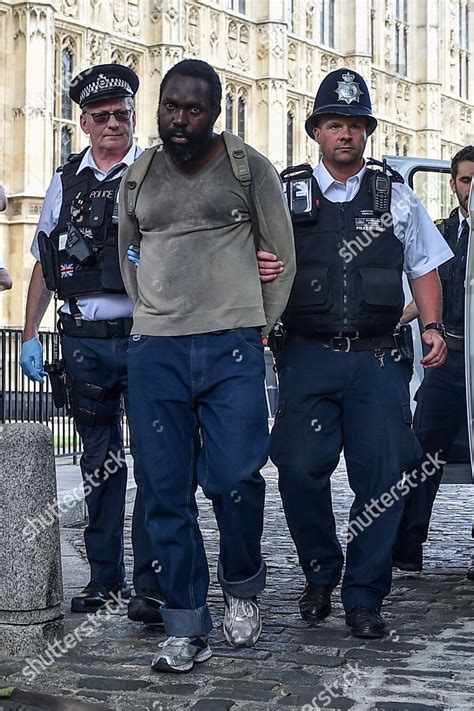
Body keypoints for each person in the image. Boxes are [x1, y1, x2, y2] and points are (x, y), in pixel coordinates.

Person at [261, 67, 452, 639]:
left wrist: (433, 327)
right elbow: (251, 259)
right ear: (316, 130)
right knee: (296, 470)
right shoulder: (284, 194)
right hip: (306, 355)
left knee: (384, 478)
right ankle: (321, 570)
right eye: (335, 124)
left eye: (356, 125)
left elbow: (424, 266)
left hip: (375, 362)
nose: (346, 134)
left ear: (367, 133)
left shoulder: (393, 195)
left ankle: (364, 596)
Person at [119, 59, 296, 673]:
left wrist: (254, 327)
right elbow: (128, 254)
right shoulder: (139, 175)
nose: (179, 119)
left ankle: (243, 586)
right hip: (156, 351)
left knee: (236, 481)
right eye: (170, 105)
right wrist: (153, 317)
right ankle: (185, 623)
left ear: (214, 113)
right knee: (164, 492)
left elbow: (283, 258)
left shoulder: (251, 172)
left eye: (193, 109)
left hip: (232, 347)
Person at [19, 64, 164, 623]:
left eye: (122, 115)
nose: (112, 124)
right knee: (99, 462)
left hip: (147, 337)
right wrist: (30, 334)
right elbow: (43, 264)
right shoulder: (65, 180)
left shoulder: (153, 172)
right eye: (101, 117)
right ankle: (105, 578)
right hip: (83, 340)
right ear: (83, 122)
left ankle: (150, 584)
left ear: (132, 118)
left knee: (156, 461)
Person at [394, 146, 474, 573]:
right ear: (453, 184)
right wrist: (394, 318)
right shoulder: (441, 233)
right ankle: (408, 546)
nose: (473, 189)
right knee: (424, 450)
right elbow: (427, 293)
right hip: (448, 356)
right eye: (466, 180)